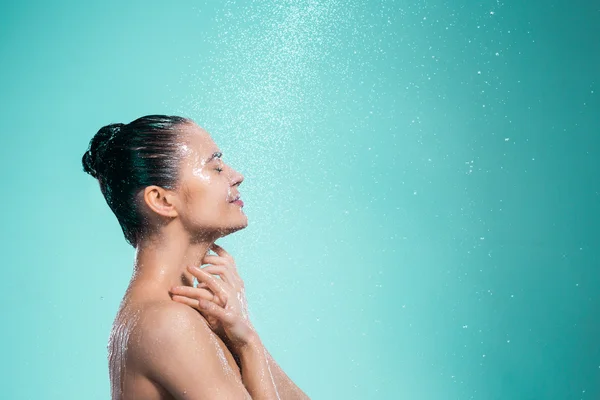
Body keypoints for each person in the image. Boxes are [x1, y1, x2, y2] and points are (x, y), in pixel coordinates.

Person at [82, 115, 309, 400]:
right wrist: (248, 345)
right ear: (162, 201)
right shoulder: (167, 323)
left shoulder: (180, 313)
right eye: (215, 167)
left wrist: (244, 338)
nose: (237, 175)